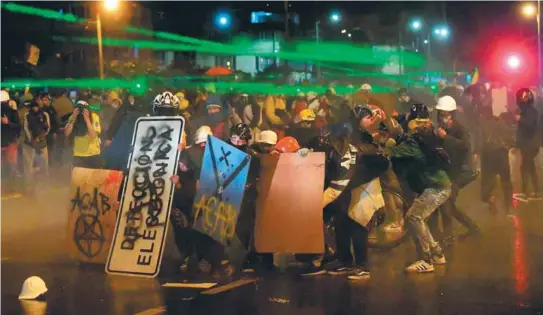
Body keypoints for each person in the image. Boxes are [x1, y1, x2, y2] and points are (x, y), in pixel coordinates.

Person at [383, 103, 451, 273]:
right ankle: (437, 253)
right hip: (438, 185)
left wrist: (387, 142)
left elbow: (394, 151)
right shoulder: (427, 134)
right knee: (417, 217)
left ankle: (426, 260)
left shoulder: (416, 140)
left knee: (413, 217)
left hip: (436, 187)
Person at [430, 95, 480, 244]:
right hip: (452, 170)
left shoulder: (459, 129)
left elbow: (465, 145)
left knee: (447, 202)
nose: (442, 117)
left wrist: (446, 138)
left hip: (463, 172)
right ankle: (471, 228)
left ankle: (449, 236)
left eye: (445, 114)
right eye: (440, 114)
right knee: (447, 202)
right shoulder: (442, 128)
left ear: (452, 114)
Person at [479, 109, 515, 216]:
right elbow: (512, 140)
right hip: (501, 154)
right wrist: (508, 146)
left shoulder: (482, 125)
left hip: (487, 156)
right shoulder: (503, 125)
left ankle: (490, 197)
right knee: (506, 181)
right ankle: (508, 207)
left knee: (487, 181)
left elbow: (479, 141)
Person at [513, 88, 541, 201]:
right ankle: (535, 191)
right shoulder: (524, 110)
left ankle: (527, 191)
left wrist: (520, 120)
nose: (523, 98)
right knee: (530, 167)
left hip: (531, 144)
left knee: (525, 167)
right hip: (527, 144)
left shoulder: (532, 111)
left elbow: (531, 126)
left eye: (525, 96)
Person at [64, 100, 102, 169]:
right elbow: (66, 133)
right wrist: (73, 118)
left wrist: (87, 119)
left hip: (92, 154)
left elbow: (93, 135)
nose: (81, 111)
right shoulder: (72, 117)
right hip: (78, 154)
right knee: (79, 178)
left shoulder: (94, 117)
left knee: (93, 178)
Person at [22, 100, 51, 187]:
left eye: (37, 106)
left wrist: (40, 137)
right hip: (30, 144)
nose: (35, 108)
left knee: (44, 163)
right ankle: (29, 183)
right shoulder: (27, 115)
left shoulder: (45, 114)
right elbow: (26, 128)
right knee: (29, 165)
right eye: (34, 106)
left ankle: (45, 181)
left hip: (41, 143)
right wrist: (31, 139)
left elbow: (48, 127)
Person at [1, 90, 21, 180]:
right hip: (10, 142)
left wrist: (8, 122)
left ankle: (11, 183)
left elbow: (18, 127)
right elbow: (18, 127)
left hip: (10, 142)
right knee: (10, 165)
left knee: (11, 166)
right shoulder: (13, 112)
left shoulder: (12, 112)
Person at [37, 92, 59, 168]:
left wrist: (55, 132)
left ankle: (49, 164)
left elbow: (55, 121)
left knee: (50, 149)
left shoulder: (50, 109)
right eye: (42, 100)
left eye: (46, 100)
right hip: (43, 133)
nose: (44, 101)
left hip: (50, 132)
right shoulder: (40, 110)